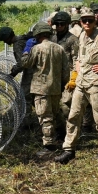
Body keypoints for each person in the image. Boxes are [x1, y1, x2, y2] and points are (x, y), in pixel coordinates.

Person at [54, 11, 98, 164]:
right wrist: (76, 71)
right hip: (82, 82)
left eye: (90, 21)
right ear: (80, 22)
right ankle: (69, 149)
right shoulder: (81, 36)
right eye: (84, 21)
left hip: (96, 82)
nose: (87, 23)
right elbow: (80, 57)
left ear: (94, 21)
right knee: (73, 115)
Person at [21, 23, 69, 155]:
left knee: (45, 117)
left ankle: (49, 145)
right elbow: (66, 71)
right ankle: (63, 135)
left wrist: (26, 51)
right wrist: (62, 84)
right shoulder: (59, 48)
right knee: (55, 113)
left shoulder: (36, 48)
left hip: (41, 89)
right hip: (55, 88)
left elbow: (26, 63)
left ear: (37, 34)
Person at [52, 11, 80, 135]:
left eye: (61, 24)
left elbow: (76, 60)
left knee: (66, 104)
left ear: (67, 24)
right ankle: (60, 130)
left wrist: (74, 77)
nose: (59, 26)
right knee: (54, 106)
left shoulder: (72, 39)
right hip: (53, 75)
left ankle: (72, 130)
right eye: (56, 24)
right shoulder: (52, 38)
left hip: (68, 75)